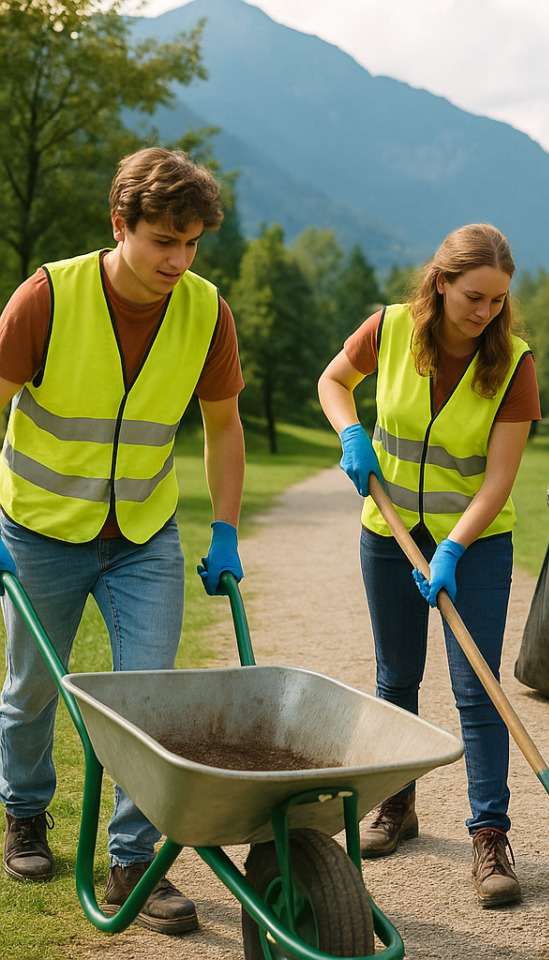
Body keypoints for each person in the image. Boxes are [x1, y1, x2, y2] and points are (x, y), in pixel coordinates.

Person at [0, 148, 245, 933]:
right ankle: (24, 813)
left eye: (192, 243)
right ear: (120, 224)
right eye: (164, 241)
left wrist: (227, 528)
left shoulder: (206, 312)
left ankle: (133, 863)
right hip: (40, 527)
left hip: (143, 531)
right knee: (33, 689)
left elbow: (223, 425)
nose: (179, 260)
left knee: (150, 697)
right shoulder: (47, 297)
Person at [318, 223, 540, 908]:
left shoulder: (514, 363)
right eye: (475, 297)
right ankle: (397, 804)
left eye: (498, 301)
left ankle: (490, 834)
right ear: (441, 283)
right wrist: (351, 431)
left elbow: (498, 480)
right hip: (387, 533)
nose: (486, 313)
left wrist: (452, 547)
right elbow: (333, 380)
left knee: (479, 687)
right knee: (397, 678)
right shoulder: (388, 330)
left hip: (475, 543)